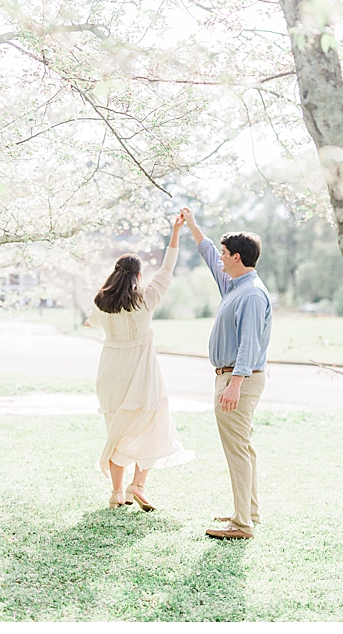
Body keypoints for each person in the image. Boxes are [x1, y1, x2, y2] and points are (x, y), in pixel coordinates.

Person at [87, 213, 194, 512]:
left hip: (109, 374)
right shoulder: (146, 298)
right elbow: (168, 267)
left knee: (116, 430)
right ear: (138, 275)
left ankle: (117, 493)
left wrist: (89, 323)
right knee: (154, 423)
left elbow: (92, 322)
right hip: (142, 374)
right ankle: (138, 485)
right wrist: (175, 232)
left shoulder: (101, 302)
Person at [182, 208, 272, 540]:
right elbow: (207, 254)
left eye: (224, 253)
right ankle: (248, 512)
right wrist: (191, 225)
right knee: (243, 448)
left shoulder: (249, 293)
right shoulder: (236, 284)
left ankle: (242, 525)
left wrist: (234, 385)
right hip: (235, 377)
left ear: (236, 257)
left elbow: (249, 344)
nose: (219, 257)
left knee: (236, 450)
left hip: (238, 379)